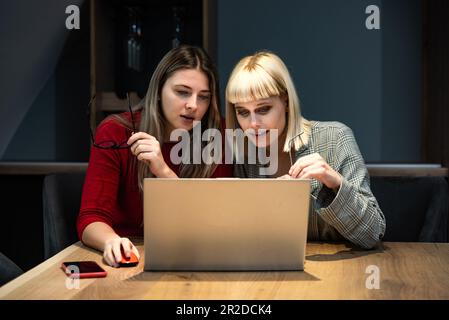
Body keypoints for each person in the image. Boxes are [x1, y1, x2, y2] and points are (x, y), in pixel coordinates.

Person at [77, 45, 232, 267]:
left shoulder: (219, 135)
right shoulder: (115, 131)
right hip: (131, 255)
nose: (193, 105)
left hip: (196, 255)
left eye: (204, 97)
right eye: (182, 92)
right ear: (158, 90)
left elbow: (213, 224)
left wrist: (164, 172)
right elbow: (91, 217)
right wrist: (112, 241)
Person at [225, 51, 386, 249]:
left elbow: (373, 233)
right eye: (242, 112)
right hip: (276, 269)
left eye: (263, 109)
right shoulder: (244, 156)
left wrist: (335, 182)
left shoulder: (335, 138)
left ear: (285, 101)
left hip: (343, 271)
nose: (253, 123)